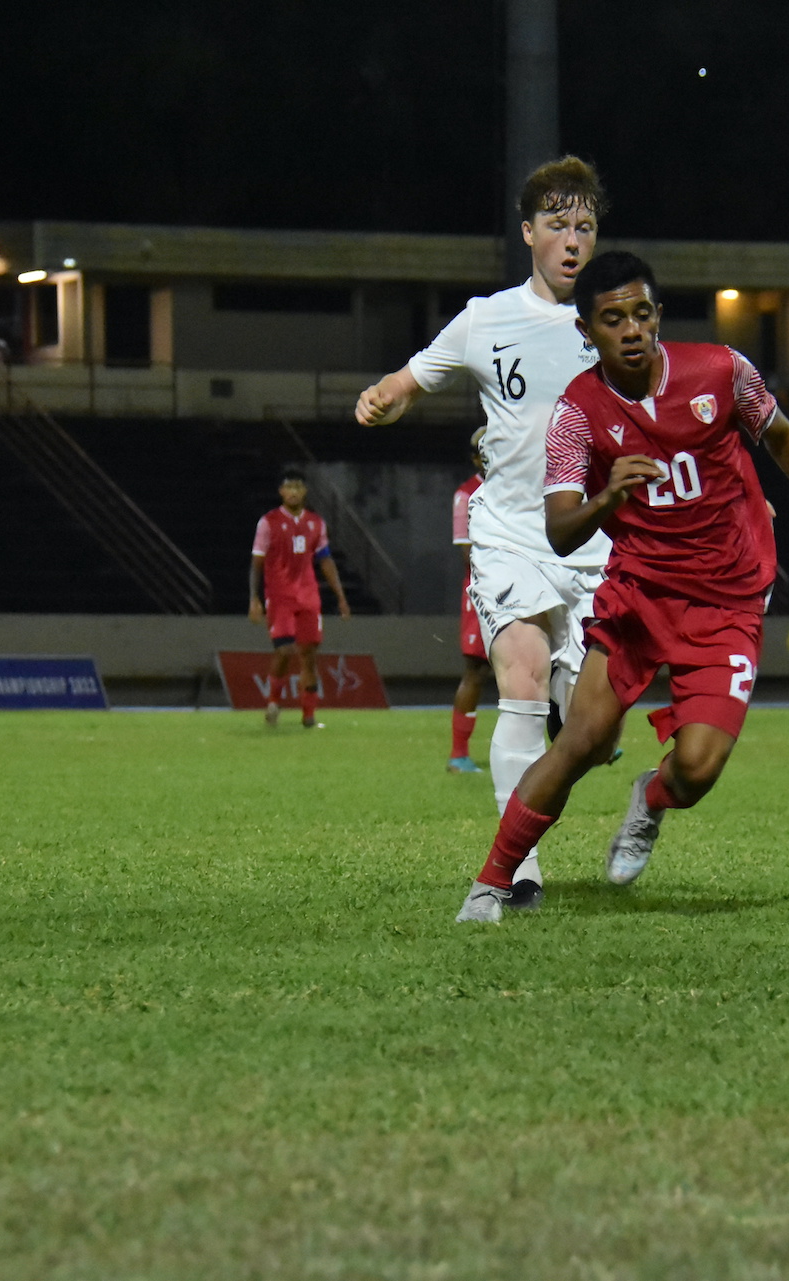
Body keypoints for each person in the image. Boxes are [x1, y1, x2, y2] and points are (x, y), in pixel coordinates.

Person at [455, 250, 789, 923]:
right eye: (613, 319)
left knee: (697, 769)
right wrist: (608, 497)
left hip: (729, 599)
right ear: (587, 332)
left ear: (658, 316)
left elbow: (784, 438)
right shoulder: (577, 415)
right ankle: (492, 883)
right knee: (581, 739)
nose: (632, 329)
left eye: (642, 313)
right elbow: (560, 530)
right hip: (640, 594)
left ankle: (650, 799)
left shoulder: (723, 372)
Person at [354, 156, 610, 910]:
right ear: (528, 231)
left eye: (585, 226)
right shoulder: (485, 317)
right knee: (520, 682)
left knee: (591, 724)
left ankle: (571, 732)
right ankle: (518, 870)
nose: (572, 239)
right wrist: (384, 396)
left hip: (595, 545)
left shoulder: (618, 321)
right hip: (510, 534)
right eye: (558, 224)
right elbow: (415, 375)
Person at [247, 466, 353, 730]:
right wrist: (254, 598)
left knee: (308, 655)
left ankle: (308, 716)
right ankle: (273, 701)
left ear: (304, 491)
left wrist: (340, 596)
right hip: (280, 596)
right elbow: (257, 563)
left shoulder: (316, 523)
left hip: (308, 596)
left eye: (298, 487)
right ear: (281, 491)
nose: (293, 492)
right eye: (288, 487)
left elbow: (325, 560)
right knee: (284, 650)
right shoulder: (268, 522)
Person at [447, 428, 490, 773]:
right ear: (475, 456)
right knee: (475, 669)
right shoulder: (466, 494)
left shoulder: (517, 486)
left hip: (522, 588)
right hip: (481, 591)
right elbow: (467, 552)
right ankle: (458, 753)